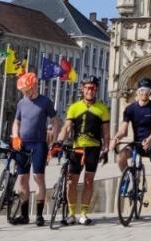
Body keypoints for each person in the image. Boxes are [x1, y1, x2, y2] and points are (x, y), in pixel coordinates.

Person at [113, 77, 151, 224]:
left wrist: (150, 139)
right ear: (137, 92)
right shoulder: (130, 109)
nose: (144, 93)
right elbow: (124, 129)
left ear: (150, 92)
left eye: (147, 91)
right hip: (137, 143)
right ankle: (128, 177)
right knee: (120, 157)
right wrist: (116, 137)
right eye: (141, 91)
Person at [57, 77, 111, 225]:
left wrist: (106, 149)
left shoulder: (102, 108)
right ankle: (71, 213)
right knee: (71, 182)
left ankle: (84, 213)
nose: (89, 91)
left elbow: (106, 132)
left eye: (92, 88)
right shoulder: (74, 107)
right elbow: (67, 127)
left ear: (96, 90)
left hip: (93, 148)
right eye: (87, 88)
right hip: (77, 148)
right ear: (82, 89)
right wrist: (59, 141)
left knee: (89, 181)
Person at [10, 71, 58, 226]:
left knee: (38, 177)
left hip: (39, 144)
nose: (25, 93)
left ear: (34, 87)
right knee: (22, 179)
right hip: (23, 144)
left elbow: (55, 121)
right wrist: (15, 136)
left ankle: (39, 215)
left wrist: (54, 139)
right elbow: (16, 122)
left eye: (27, 90)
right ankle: (24, 216)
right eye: (23, 91)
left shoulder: (45, 102)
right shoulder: (21, 103)